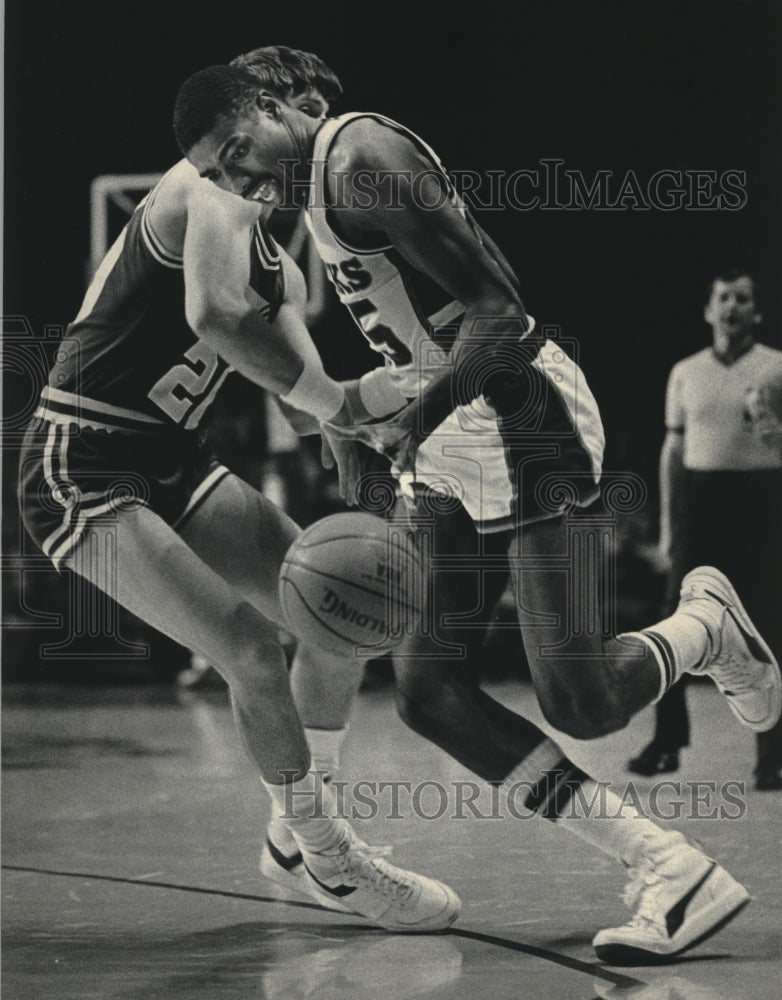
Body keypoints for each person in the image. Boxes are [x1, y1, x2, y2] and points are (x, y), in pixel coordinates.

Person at [175, 62, 780, 962]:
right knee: (430, 692)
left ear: (273, 109)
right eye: (224, 176)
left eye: (241, 153)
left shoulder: (359, 156)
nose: (243, 182)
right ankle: (668, 867)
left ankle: (703, 627)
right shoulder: (315, 184)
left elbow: (501, 311)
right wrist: (353, 413)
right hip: (452, 434)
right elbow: (422, 315)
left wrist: (409, 422)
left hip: (522, 416)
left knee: (581, 701)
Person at [16, 118, 465, 932]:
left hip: (176, 459)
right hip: (81, 459)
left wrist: (383, 411)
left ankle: (292, 838)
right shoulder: (201, 187)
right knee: (252, 650)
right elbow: (214, 318)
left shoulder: (285, 269)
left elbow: (307, 400)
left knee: (337, 623)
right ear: (247, 128)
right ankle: (329, 857)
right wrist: (348, 404)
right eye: (291, 112)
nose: (312, 135)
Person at [628, 269, 782, 791]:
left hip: (762, 506)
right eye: (724, 298)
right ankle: (667, 739)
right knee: (674, 621)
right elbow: (673, 451)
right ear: (709, 309)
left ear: (756, 312)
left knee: (770, 627)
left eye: (743, 299)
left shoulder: (777, 368)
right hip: (700, 504)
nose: (732, 307)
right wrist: (670, 529)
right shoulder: (685, 372)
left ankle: (771, 758)